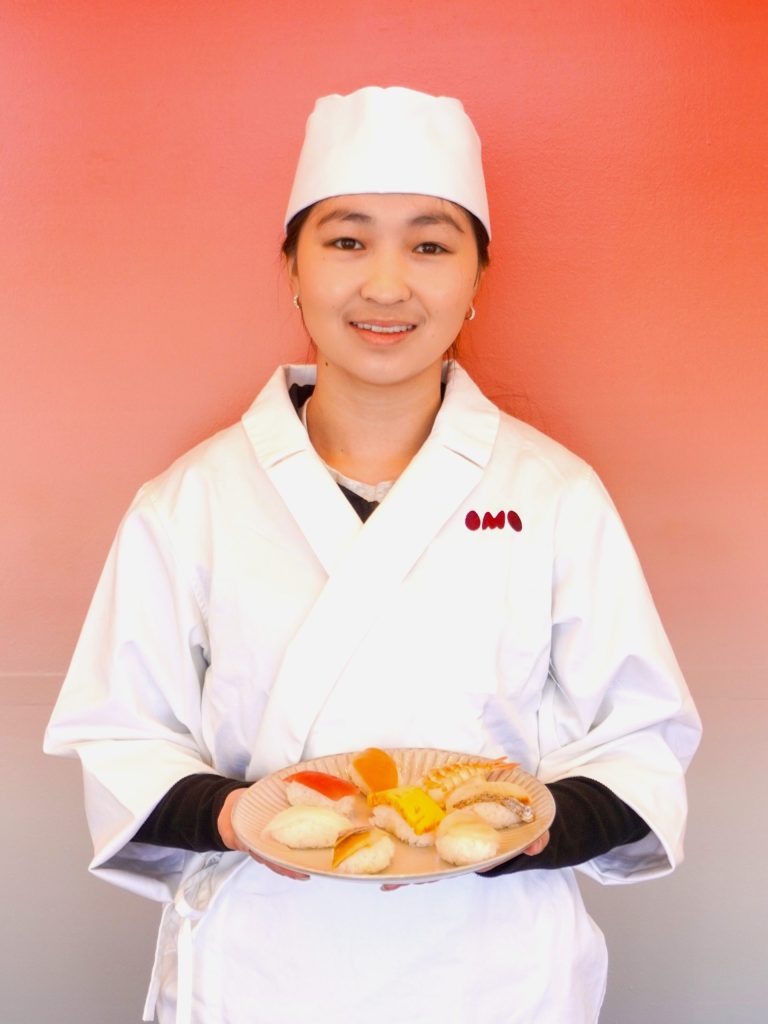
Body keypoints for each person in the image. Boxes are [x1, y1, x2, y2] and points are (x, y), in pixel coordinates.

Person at [45, 86, 701, 1024]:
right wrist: (233, 815)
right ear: (291, 266)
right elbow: (121, 733)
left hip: (493, 972)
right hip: (263, 968)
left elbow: (641, 740)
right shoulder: (191, 501)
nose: (387, 286)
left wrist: (539, 824)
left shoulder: (556, 495)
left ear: (478, 277)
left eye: (430, 246)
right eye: (347, 241)